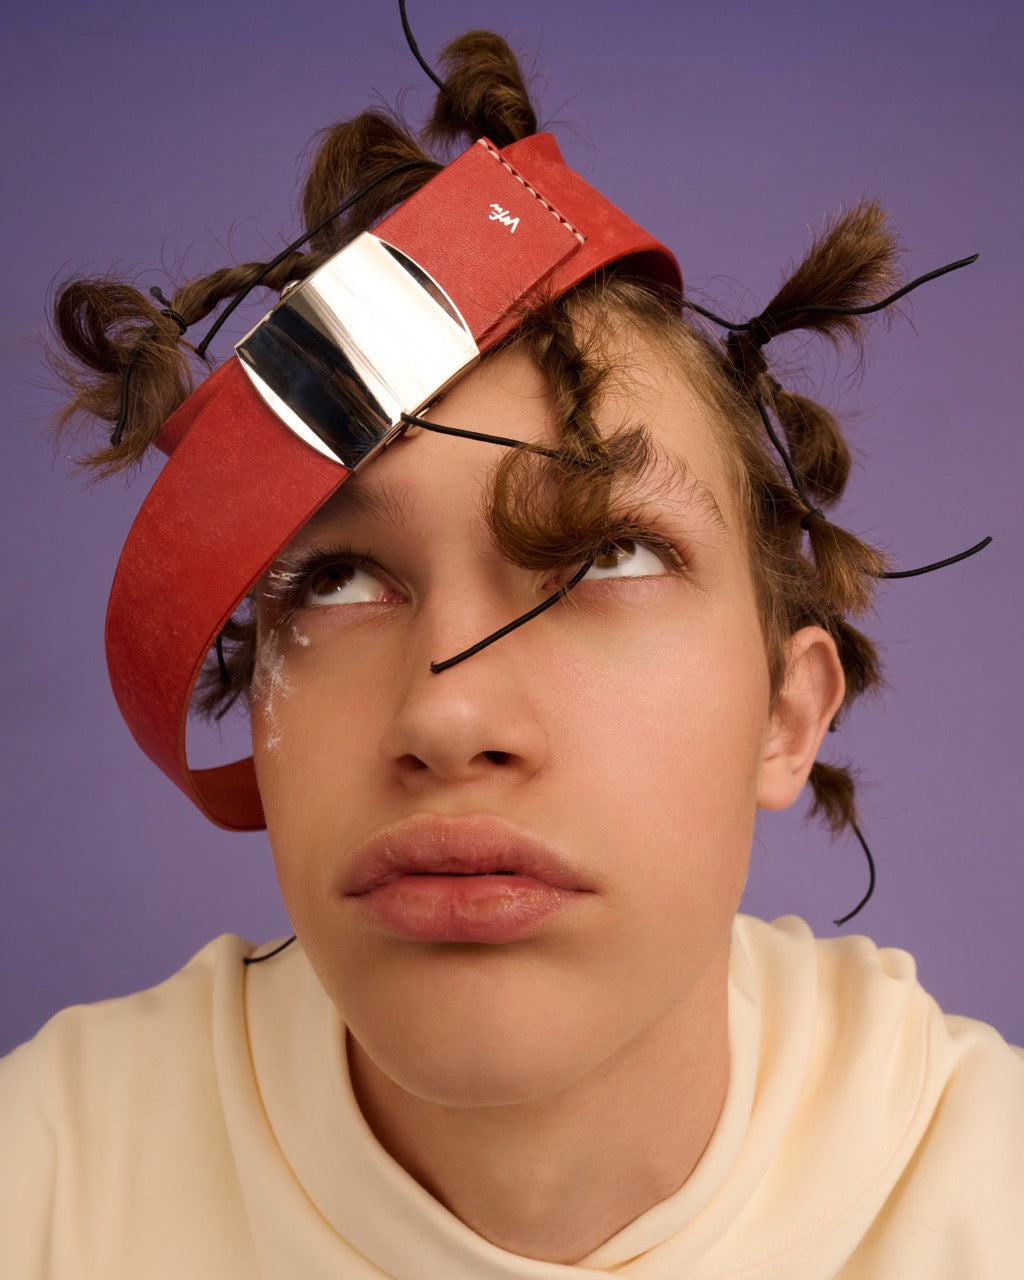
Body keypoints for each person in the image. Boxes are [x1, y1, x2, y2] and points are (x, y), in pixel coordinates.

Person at [2, 24, 1021, 1278]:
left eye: (610, 558)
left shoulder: (988, 1188)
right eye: (337, 577)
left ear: (787, 715)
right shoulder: (39, 1183)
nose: (449, 716)